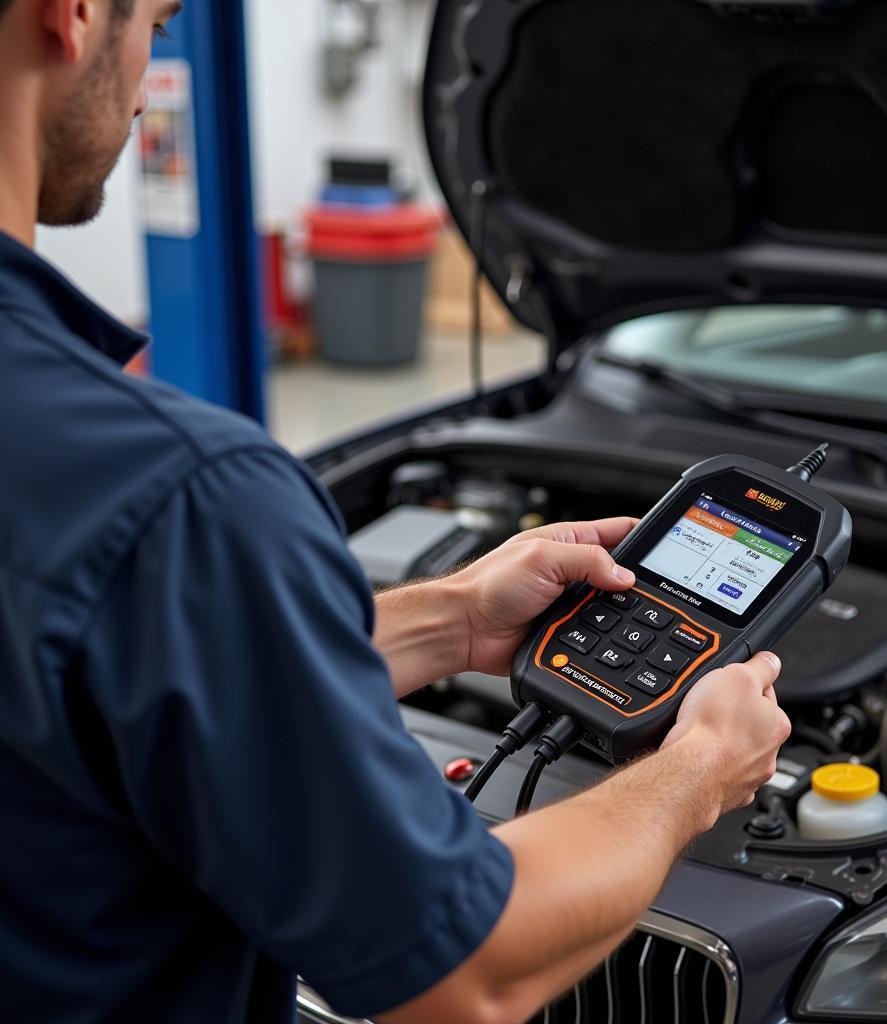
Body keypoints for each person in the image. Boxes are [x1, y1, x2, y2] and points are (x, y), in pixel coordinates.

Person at [0, 2, 792, 1022]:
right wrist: (697, 770)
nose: (153, 54)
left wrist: (450, 619)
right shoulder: (177, 494)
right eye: (156, 18)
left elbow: (84, 682)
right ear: (69, 16)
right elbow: (470, 970)